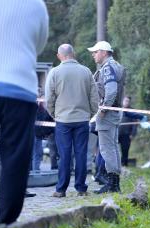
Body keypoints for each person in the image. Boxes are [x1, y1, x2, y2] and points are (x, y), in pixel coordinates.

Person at [0, 0, 48, 226]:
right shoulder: (37, 5)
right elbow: (39, 44)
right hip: (20, 87)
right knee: (15, 156)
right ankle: (5, 221)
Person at [88, 41, 145, 194]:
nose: (93, 54)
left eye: (95, 52)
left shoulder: (107, 68)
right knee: (112, 148)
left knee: (107, 149)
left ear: (104, 52)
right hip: (114, 112)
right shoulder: (116, 66)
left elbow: (111, 90)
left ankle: (113, 184)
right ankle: (115, 183)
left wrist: (103, 109)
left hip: (108, 113)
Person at [45, 44, 99, 197]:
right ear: (73, 54)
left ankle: (61, 189)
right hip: (82, 119)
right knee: (81, 153)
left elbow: (49, 98)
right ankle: (81, 188)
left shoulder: (54, 72)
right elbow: (94, 97)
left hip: (63, 120)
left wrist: (54, 114)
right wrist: (90, 114)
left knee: (64, 155)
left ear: (59, 55)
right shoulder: (86, 71)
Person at [119, 96, 138, 166]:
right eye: (125, 101)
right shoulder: (118, 109)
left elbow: (135, 124)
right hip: (117, 133)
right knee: (114, 149)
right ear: (122, 101)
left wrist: (133, 134)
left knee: (125, 150)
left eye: (128, 101)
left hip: (127, 134)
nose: (127, 102)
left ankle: (124, 164)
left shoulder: (132, 111)